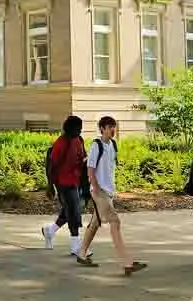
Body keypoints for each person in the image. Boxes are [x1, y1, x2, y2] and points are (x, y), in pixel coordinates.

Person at [76, 116, 146, 276]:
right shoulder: (96, 145)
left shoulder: (113, 145)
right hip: (99, 192)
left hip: (108, 192)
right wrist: (97, 189)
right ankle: (126, 262)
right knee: (115, 222)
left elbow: (109, 169)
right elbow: (90, 170)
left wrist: (110, 190)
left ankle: (81, 252)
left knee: (94, 223)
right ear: (102, 129)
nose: (113, 130)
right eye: (109, 127)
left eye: (114, 126)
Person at [42, 115, 89, 257]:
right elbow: (52, 166)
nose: (80, 131)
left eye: (81, 128)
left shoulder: (79, 140)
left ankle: (50, 231)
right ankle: (75, 245)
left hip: (76, 180)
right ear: (69, 128)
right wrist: (50, 185)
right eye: (77, 129)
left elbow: (82, 158)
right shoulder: (61, 143)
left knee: (71, 209)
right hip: (63, 182)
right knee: (74, 210)